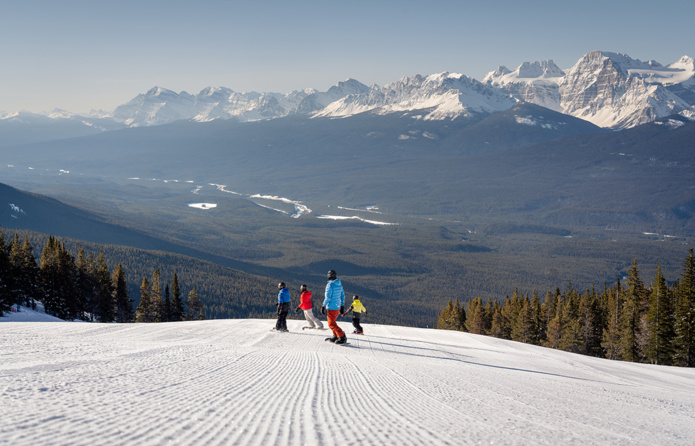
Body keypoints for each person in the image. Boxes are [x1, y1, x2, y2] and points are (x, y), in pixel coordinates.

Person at [322, 269, 347, 344]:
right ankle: (336, 335)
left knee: (331, 324)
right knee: (333, 322)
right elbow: (342, 295)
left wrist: (323, 305)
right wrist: (342, 305)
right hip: (338, 307)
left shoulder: (330, 285)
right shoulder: (339, 284)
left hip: (332, 307)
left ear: (329, 276)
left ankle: (342, 336)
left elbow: (328, 297)